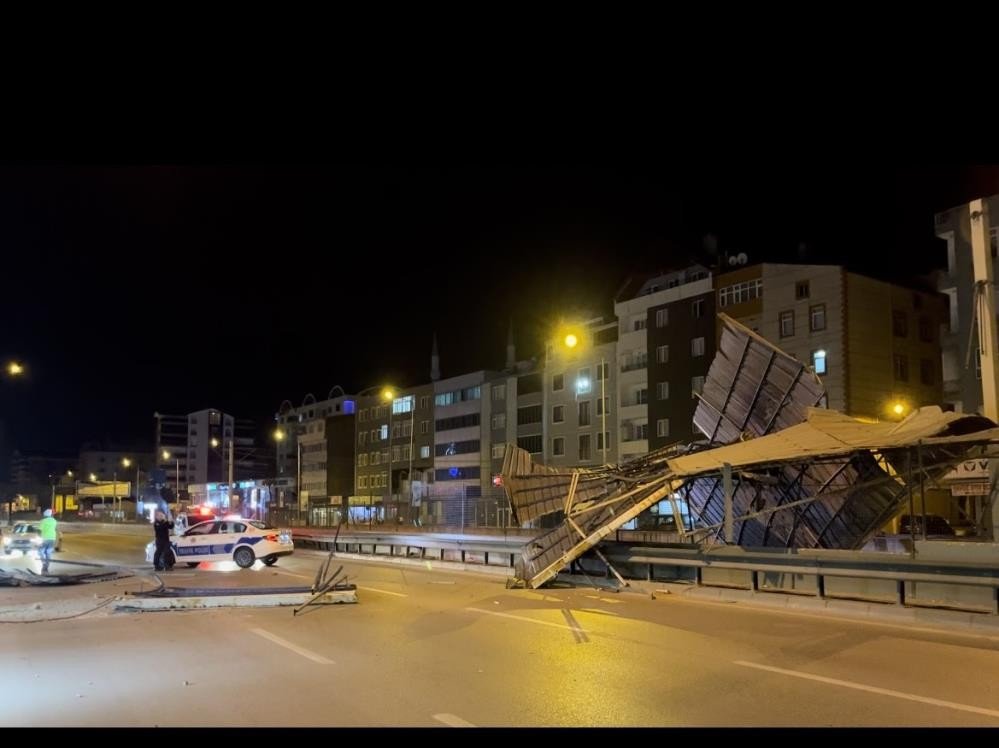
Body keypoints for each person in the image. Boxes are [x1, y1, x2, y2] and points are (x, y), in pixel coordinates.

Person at [39, 508, 57, 574]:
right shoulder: (54, 521)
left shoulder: (43, 521)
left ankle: (44, 564)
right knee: (48, 552)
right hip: (52, 538)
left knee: (41, 551)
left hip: (44, 538)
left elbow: (39, 530)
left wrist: (38, 535)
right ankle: (47, 566)